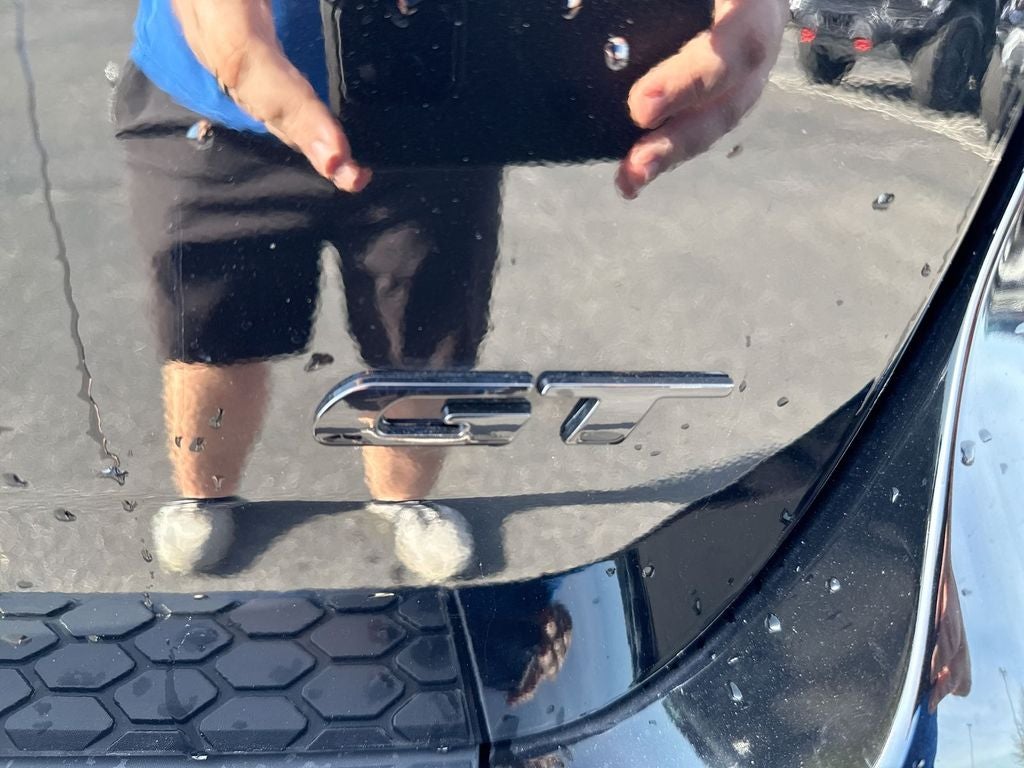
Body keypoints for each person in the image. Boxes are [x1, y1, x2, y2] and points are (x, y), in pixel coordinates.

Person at [115, 0, 784, 580]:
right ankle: (205, 496)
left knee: (423, 348)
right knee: (211, 343)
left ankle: (404, 503)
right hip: (209, 104)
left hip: (441, 94)